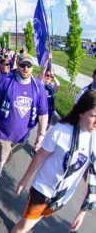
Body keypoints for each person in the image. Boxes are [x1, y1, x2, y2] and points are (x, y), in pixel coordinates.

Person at [12, 90, 96, 233]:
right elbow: (40, 156)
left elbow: (92, 177)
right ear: (81, 112)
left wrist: (83, 211)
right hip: (43, 190)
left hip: (61, 197)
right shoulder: (62, 131)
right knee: (24, 226)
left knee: (34, 220)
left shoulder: (93, 141)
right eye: (93, 116)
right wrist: (24, 180)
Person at [0, 54, 49, 193]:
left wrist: (41, 134)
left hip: (21, 138)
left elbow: (43, 113)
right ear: (17, 66)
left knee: (5, 158)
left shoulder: (38, 87)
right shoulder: (7, 82)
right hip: (1, 133)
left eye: (29, 66)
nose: (26, 69)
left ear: (32, 68)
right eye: (23, 65)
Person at [37, 54, 60, 129]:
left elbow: (58, 85)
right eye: (47, 75)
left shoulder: (52, 86)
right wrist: (47, 59)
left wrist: (53, 76)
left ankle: (40, 139)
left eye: (50, 76)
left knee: (43, 129)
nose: (49, 77)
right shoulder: (41, 83)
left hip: (48, 110)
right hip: (39, 109)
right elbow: (43, 71)